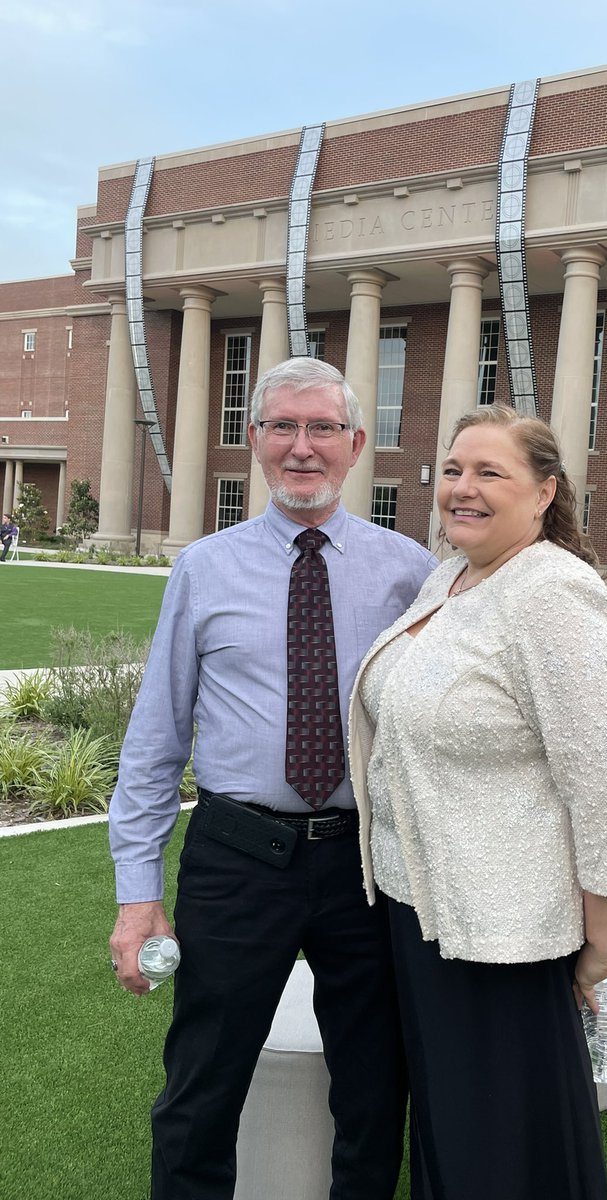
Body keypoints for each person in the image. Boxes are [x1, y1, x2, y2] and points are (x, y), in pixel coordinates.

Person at [108, 356, 436, 1200]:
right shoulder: (204, 568)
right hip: (237, 859)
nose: (302, 447)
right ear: (254, 439)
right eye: (282, 426)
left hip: (367, 867)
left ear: (357, 444)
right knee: (202, 1084)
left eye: (322, 427)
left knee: (374, 1089)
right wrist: (137, 891)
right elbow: (156, 737)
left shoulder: (410, 571)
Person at [348, 403, 607, 1200]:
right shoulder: (450, 576)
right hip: (425, 922)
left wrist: (601, 940)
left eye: (490, 472)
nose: (463, 488)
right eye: (453, 469)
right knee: (453, 1139)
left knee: (500, 1155)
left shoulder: (553, 595)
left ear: (545, 491)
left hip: (502, 941)